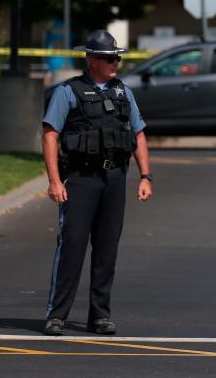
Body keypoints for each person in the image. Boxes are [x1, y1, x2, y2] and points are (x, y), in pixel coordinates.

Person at [41, 30, 153, 336]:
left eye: (117, 57)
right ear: (92, 60)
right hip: (80, 179)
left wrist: (145, 176)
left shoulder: (123, 92)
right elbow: (51, 135)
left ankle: (100, 316)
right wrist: (54, 180)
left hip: (114, 178)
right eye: (109, 58)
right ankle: (56, 315)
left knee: (107, 249)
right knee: (72, 246)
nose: (116, 62)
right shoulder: (69, 92)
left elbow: (138, 134)